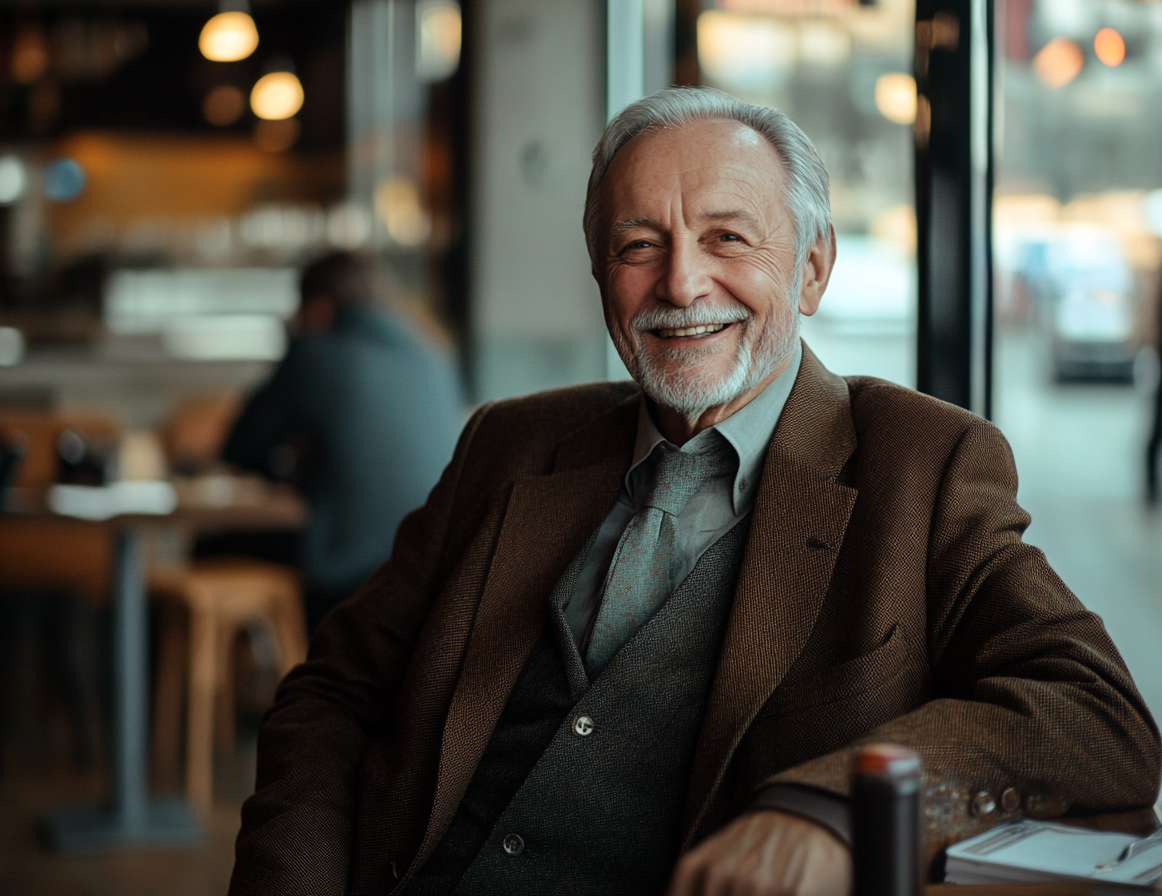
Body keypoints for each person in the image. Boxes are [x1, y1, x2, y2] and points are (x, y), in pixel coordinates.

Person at [228, 88, 1160, 896]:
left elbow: (1098, 716)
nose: (681, 281)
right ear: (601, 273)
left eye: (727, 238)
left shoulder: (924, 463)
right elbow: (335, 693)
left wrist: (830, 809)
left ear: (813, 269)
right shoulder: (510, 443)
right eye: (640, 244)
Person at [220, 251, 465, 632]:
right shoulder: (435, 355)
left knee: (212, 547)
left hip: (342, 567)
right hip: (432, 568)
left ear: (317, 308)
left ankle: (233, 684)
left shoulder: (313, 353)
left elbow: (239, 448)